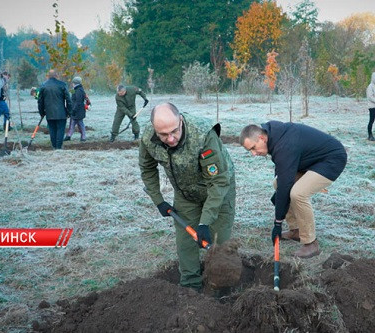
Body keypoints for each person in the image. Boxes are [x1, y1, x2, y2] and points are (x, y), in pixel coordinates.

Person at [139, 103, 236, 290]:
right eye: (163, 135)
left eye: (174, 131)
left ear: (181, 120)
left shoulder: (203, 135)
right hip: (185, 192)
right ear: (155, 129)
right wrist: (158, 200)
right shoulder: (148, 138)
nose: (171, 138)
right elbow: (147, 168)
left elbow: (218, 181)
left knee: (219, 241)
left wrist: (204, 222)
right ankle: (190, 287)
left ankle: (221, 289)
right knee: (185, 241)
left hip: (218, 188)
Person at [239, 121, 347, 259]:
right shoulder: (274, 136)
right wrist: (279, 199)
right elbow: (282, 182)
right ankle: (296, 230)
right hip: (310, 160)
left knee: (298, 194)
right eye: (250, 151)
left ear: (262, 138)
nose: (254, 154)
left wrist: (277, 222)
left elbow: (286, 184)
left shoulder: (284, 145)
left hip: (331, 159)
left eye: (253, 148)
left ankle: (311, 243)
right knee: (278, 185)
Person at [38, 70, 72, 149]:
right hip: (61, 112)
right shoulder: (62, 85)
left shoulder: (43, 86)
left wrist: (41, 112)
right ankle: (58, 147)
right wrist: (69, 111)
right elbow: (68, 99)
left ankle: (54, 146)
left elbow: (40, 101)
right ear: (56, 75)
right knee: (60, 129)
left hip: (49, 113)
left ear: (48, 76)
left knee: (52, 130)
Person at [64, 76, 91, 142]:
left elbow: (78, 102)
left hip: (78, 110)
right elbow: (71, 98)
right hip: (76, 110)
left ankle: (83, 137)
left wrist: (73, 110)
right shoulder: (75, 89)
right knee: (73, 123)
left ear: (75, 83)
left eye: (73, 82)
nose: (72, 83)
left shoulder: (79, 90)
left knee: (80, 123)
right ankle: (69, 136)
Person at [366, 72, 375, 141]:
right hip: (372, 107)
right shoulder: (370, 86)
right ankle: (370, 135)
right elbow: (370, 97)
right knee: (371, 121)